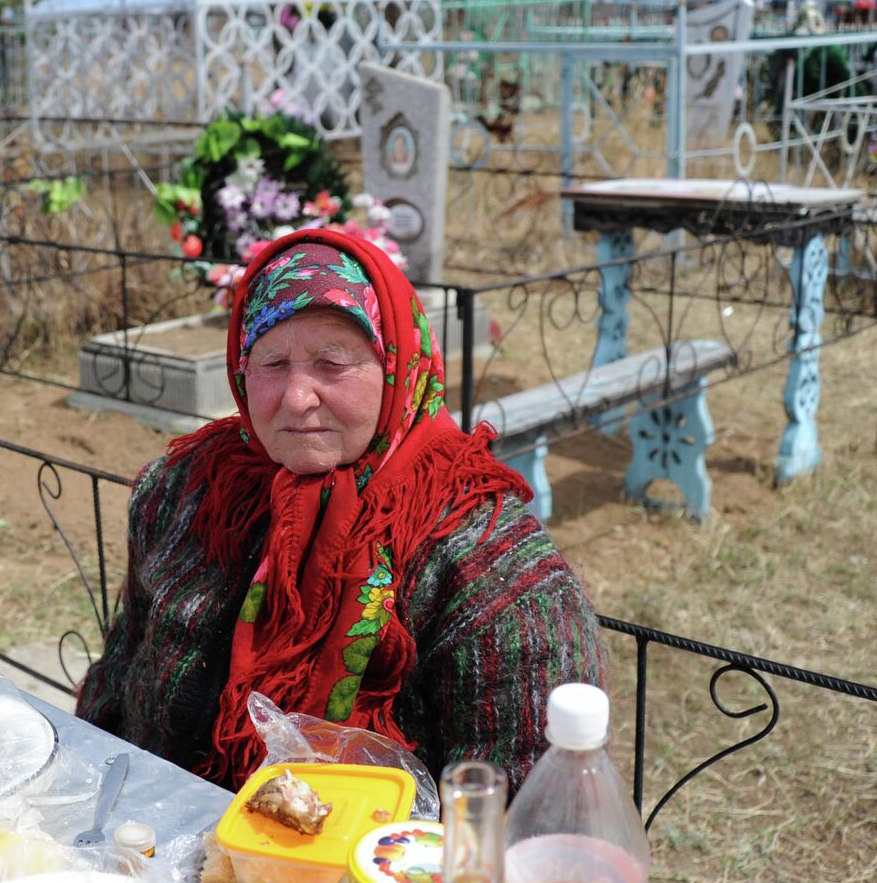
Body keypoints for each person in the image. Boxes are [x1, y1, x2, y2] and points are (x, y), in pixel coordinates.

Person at [78, 229, 605, 790]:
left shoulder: (490, 568)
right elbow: (115, 685)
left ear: (398, 367)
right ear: (239, 370)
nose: (297, 397)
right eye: (272, 362)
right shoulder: (186, 491)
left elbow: (518, 814)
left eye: (332, 363)